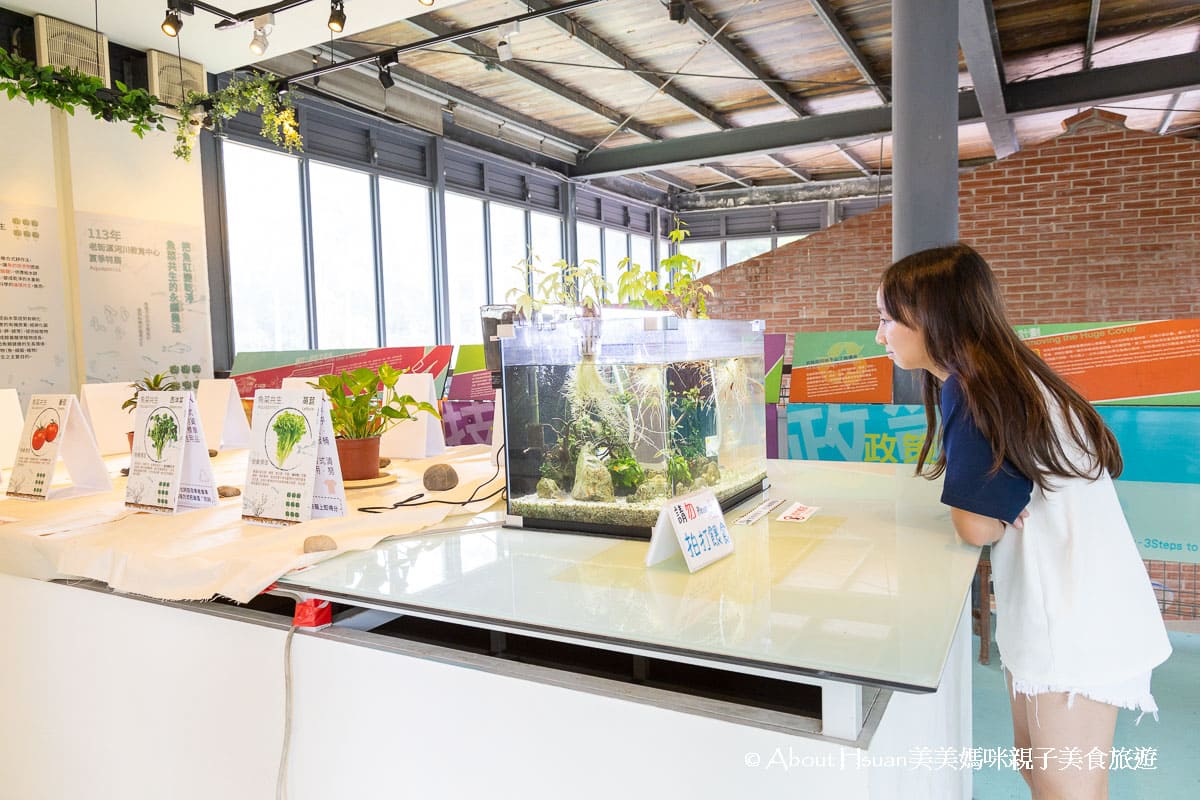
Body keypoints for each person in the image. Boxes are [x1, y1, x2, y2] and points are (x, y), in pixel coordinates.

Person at [875, 243, 1171, 798]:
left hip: (1076, 619)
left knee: (1064, 786)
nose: (880, 334)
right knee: (1039, 768)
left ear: (931, 318)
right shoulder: (999, 376)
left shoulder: (976, 388)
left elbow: (976, 527)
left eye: (887, 319)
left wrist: (981, 512)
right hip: (1072, 607)